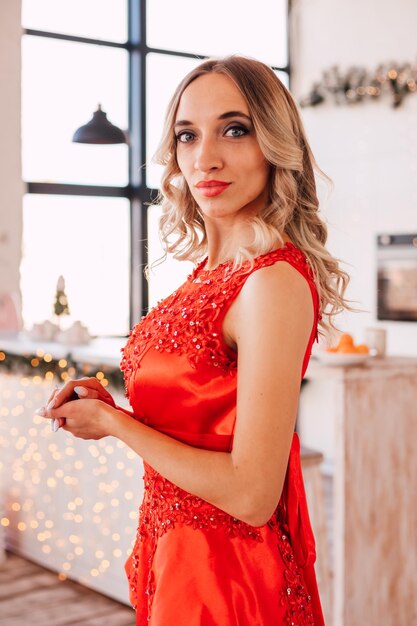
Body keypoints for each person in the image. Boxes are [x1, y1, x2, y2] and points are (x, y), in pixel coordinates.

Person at [37, 55, 349, 626]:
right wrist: (110, 407)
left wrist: (115, 425)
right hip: (177, 553)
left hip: (225, 577)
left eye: (235, 129)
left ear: (273, 143)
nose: (205, 157)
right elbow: (199, 418)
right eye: (187, 135)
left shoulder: (271, 282)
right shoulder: (211, 272)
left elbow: (253, 493)